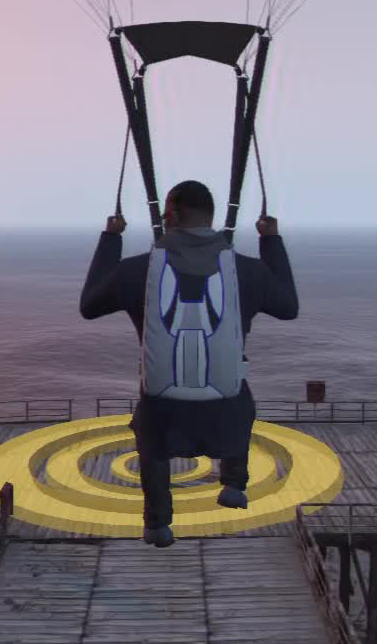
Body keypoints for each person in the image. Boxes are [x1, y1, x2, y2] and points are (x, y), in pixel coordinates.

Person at [79, 179, 299, 547]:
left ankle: (158, 524)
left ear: (172, 216)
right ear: (210, 217)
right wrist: (271, 241)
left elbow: (89, 307)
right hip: (226, 418)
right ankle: (233, 485)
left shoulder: (137, 271)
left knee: (150, 430)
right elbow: (288, 308)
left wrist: (111, 238)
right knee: (240, 394)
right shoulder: (248, 271)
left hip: (163, 420)